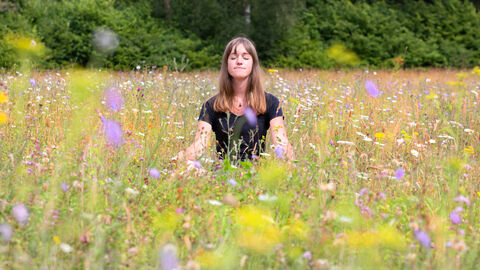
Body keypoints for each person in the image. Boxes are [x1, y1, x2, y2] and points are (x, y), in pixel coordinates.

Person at [176, 37, 294, 164]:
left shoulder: (270, 102)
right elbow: (200, 145)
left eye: (245, 57)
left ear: (253, 64)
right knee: (189, 167)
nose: (239, 61)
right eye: (233, 58)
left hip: (255, 172)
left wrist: (289, 163)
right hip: (223, 172)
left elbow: (281, 142)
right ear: (227, 64)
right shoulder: (211, 105)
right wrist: (181, 156)